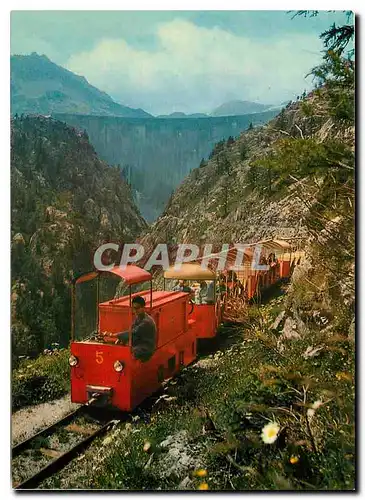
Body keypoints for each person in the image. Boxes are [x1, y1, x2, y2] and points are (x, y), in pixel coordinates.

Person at [114, 296, 157, 362]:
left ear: (143, 307)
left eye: (137, 308)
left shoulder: (147, 322)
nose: (135, 311)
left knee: (129, 352)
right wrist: (120, 340)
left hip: (147, 348)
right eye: (133, 308)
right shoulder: (139, 318)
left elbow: (134, 332)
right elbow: (131, 330)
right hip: (140, 344)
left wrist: (114, 335)